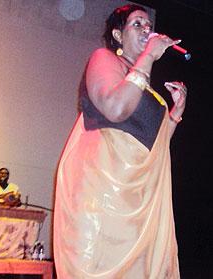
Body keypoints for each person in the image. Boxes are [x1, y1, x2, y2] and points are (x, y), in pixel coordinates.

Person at [53, 3, 187, 278]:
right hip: (101, 202)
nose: (147, 30)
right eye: (137, 24)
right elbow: (115, 108)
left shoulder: (143, 83)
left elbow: (152, 148)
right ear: (117, 35)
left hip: (134, 207)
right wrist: (148, 57)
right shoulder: (104, 59)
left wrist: (174, 115)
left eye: (149, 26)